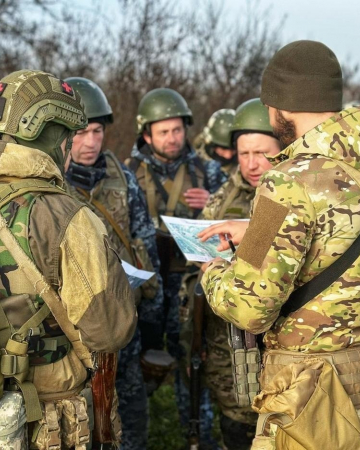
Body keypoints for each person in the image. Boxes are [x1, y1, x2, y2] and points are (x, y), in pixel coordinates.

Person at [199, 40, 360, 448]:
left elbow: (248, 307)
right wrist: (261, 234)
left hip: (309, 392)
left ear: (280, 105)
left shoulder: (287, 180)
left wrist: (212, 269)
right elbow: (354, 243)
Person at [0, 69, 137, 449]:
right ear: (50, 134)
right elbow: (110, 331)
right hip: (44, 417)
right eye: (69, 135)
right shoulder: (64, 213)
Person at [63, 76, 164, 450]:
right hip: (72, 333)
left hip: (125, 326)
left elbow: (145, 248)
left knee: (131, 421)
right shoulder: (50, 187)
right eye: (81, 133)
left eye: (97, 131)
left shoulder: (124, 180)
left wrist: (154, 317)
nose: (91, 142)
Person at [126, 88, 226, 447]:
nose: (172, 138)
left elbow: (237, 221)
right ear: (146, 134)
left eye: (177, 130)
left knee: (191, 358)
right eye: (163, 131)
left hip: (189, 283)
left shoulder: (209, 170)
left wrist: (212, 203)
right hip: (148, 284)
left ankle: (195, 432)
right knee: (139, 362)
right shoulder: (127, 173)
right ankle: (133, 434)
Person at [199, 98, 280, 450]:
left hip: (281, 341)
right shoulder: (223, 198)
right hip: (230, 342)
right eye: (244, 153)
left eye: (261, 153)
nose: (252, 163)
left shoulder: (295, 197)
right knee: (235, 423)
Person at [194, 109, 237, 176]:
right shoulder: (193, 165)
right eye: (223, 149)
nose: (228, 155)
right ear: (211, 144)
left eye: (234, 149)